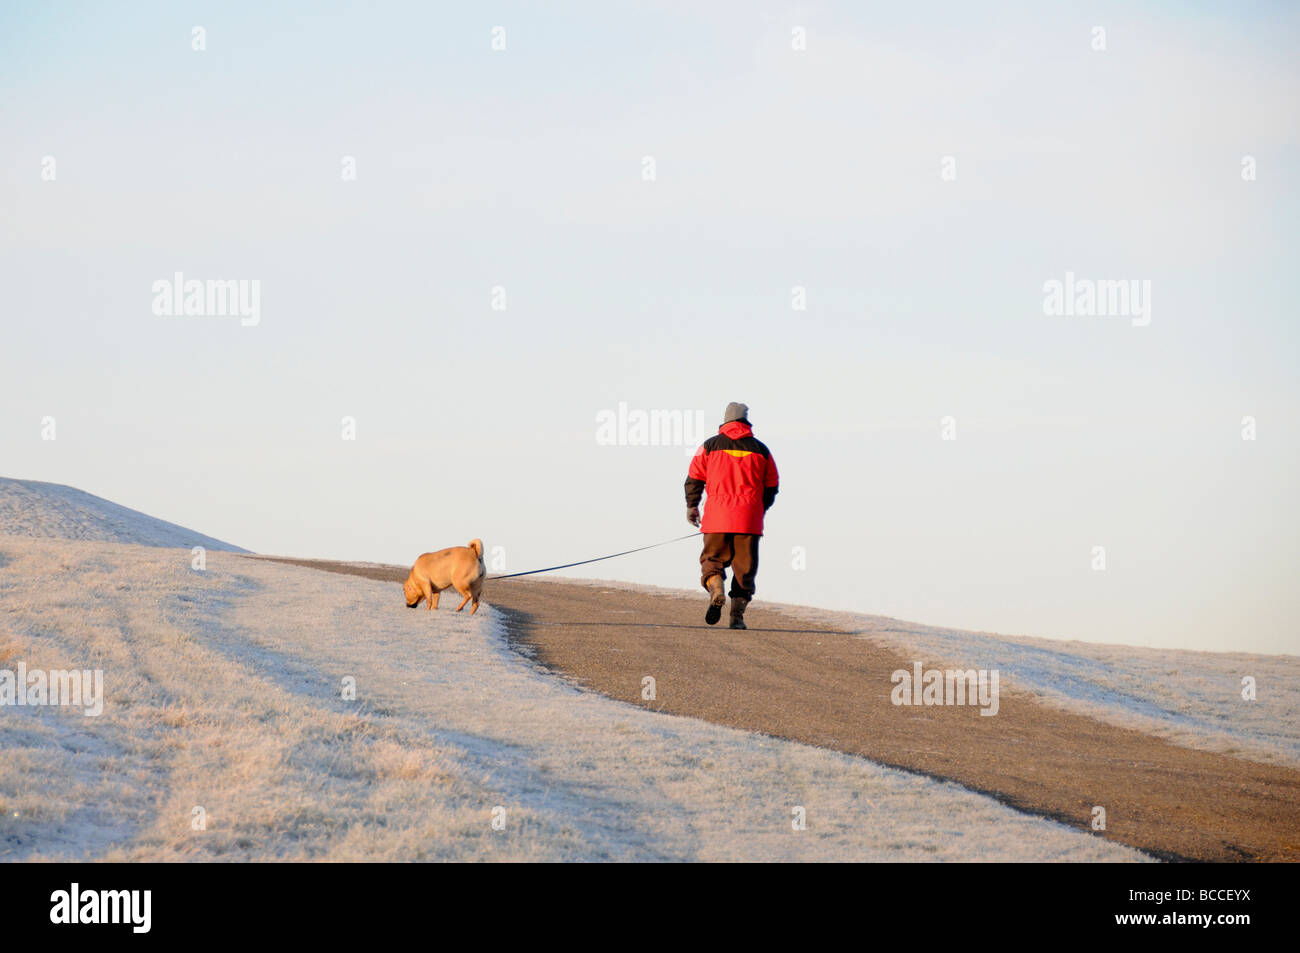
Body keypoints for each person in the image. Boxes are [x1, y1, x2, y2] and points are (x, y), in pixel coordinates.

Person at [683, 402, 779, 629]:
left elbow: (694, 478)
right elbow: (772, 486)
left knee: (712, 560)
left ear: (725, 421)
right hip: (749, 520)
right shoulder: (761, 450)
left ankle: (716, 589)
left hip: (717, 518)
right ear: (746, 421)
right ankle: (737, 617)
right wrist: (757, 509)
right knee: (745, 570)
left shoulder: (709, 446)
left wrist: (692, 506)